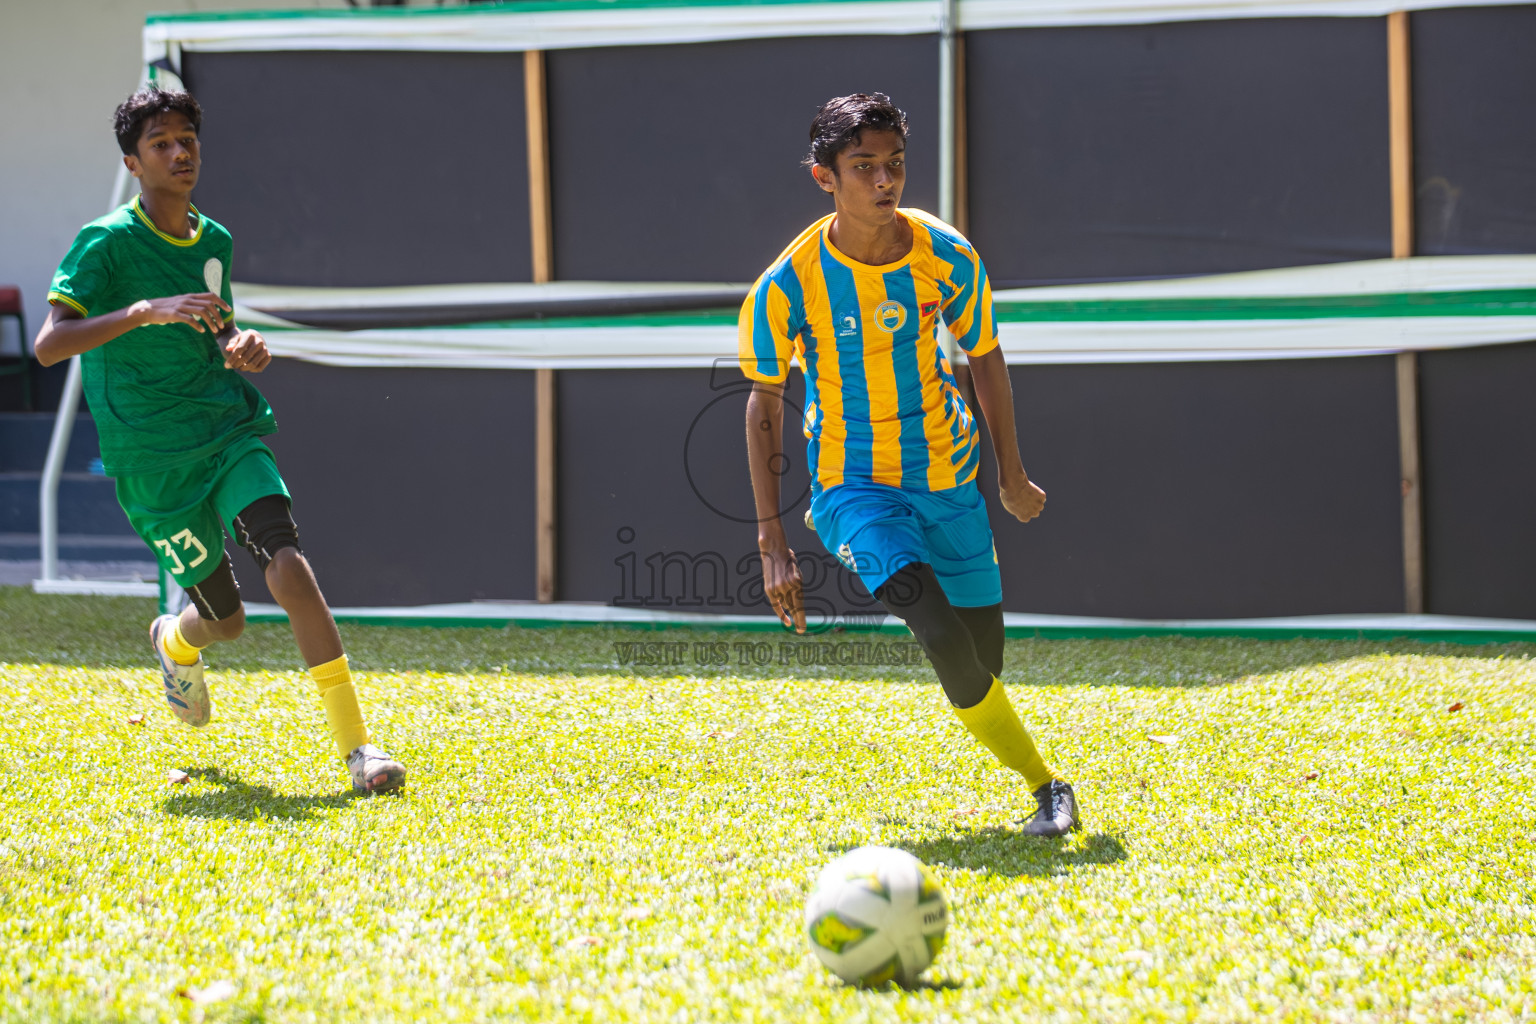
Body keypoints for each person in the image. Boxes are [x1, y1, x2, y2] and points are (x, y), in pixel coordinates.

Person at [35, 85, 406, 795]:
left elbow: (219, 326)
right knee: (226, 623)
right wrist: (143, 311)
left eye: (187, 140)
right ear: (132, 163)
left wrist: (242, 345)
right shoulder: (104, 244)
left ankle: (360, 751)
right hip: (152, 459)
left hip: (227, 429)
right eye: (160, 144)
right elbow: (51, 345)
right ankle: (174, 640)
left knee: (288, 565)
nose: (179, 153)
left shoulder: (216, 241)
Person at [739, 93, 1077, 836]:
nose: (884, 180)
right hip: (852, 486)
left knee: (982, 659)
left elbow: (985, 357)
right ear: (825, 177)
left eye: (894, 163)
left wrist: (1009, 473)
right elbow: (763, 402)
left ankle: (1018, 759)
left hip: (948, 477)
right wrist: (771, 541)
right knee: (935, 627)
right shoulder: (786, 284)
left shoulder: (944, 254)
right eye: (863, 166)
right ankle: (1049, 787)